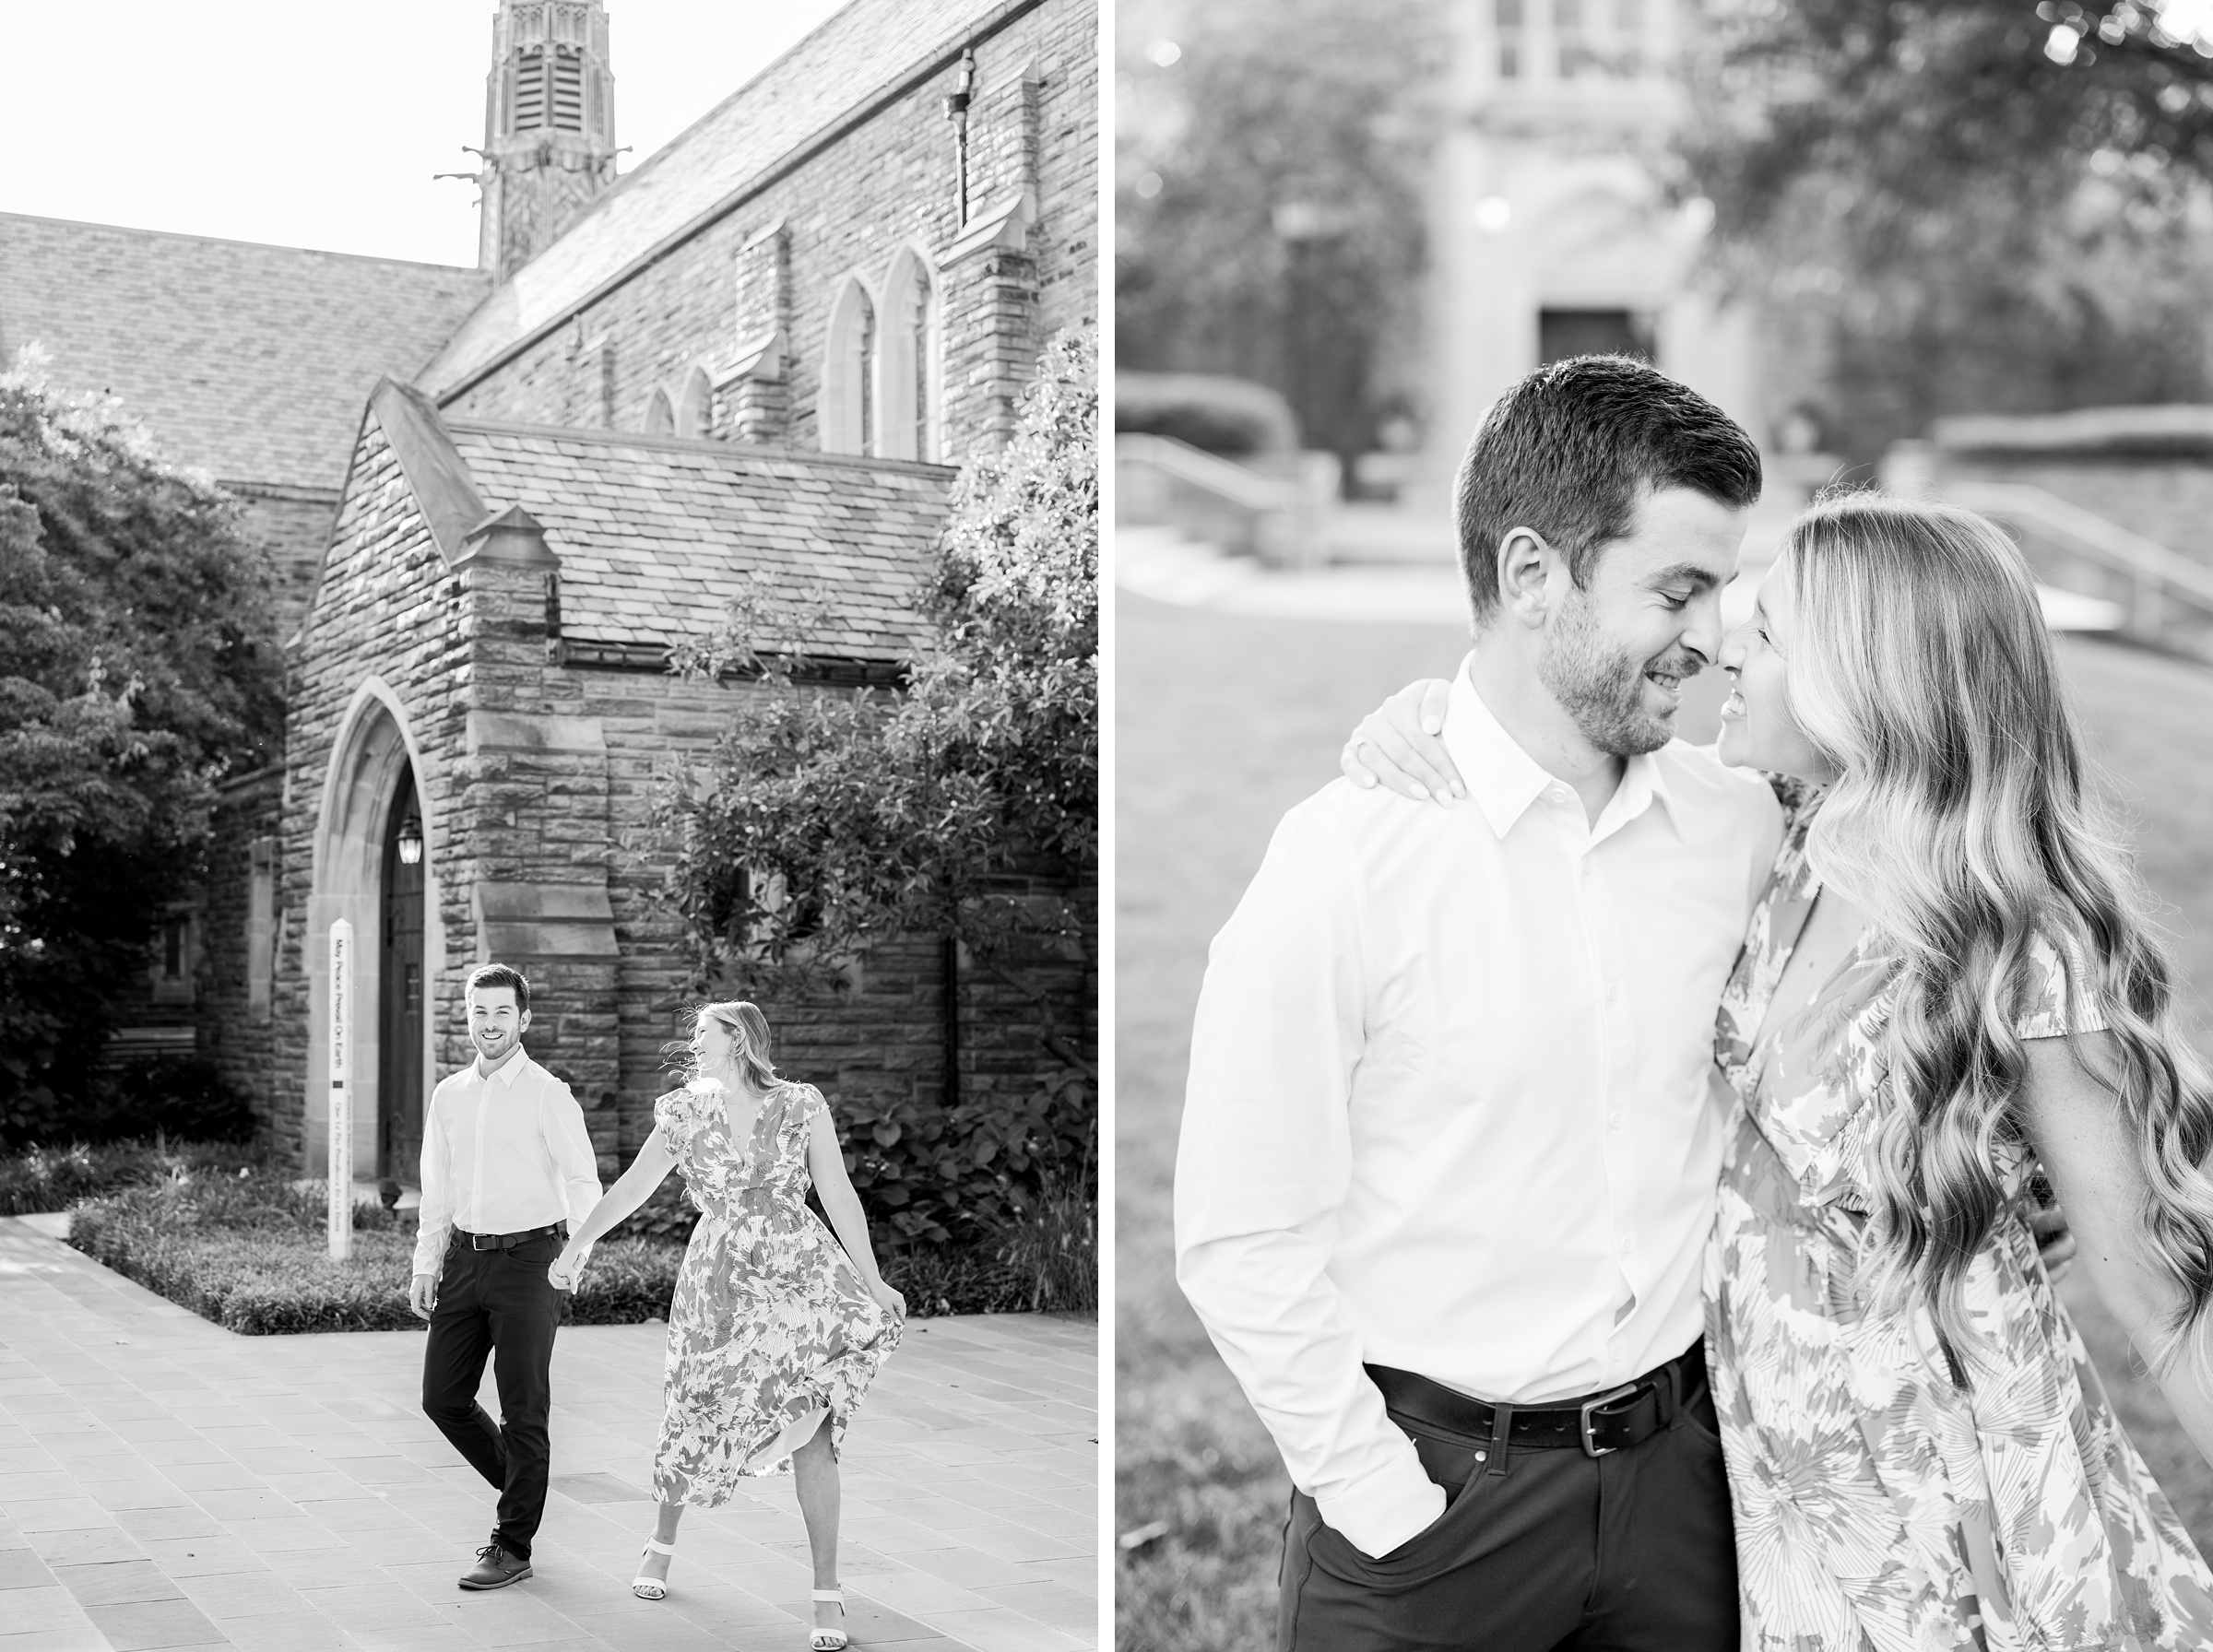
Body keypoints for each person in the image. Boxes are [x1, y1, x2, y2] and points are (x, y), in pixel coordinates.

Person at [1346, 491, 2213, 1646]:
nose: (1720, 654)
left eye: (1766, 637)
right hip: (1774, 1470)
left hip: (1943, 1488)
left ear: (1865, 681)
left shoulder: (2019, 941)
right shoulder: (1785, 833)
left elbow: (2165, 1300)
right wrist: (1425, 719)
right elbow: (1540, 748)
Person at [1176, 355, 1782, 1650]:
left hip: (1685, 1491)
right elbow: (1239, 1234)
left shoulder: (1740, 828)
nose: (1712, 638)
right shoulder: (1348, 861)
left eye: (1720, 592)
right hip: (1432, 1511)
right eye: (1677, 590)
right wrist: (1380, 1499)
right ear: (1529, 577)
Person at [550, 999, 904, 1652]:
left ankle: (827, 1594)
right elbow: (630, 1189)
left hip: (801, 1283)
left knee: (815, 1427)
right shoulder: (682, 1112)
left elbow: (839, 1192)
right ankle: (660, 1543)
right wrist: (577, 1246)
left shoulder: (801, 1104)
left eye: (704, 1033)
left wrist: (874, 1281)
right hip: (718, 1285)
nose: (694, 1042)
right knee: (693, 1408)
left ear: (738, 1040)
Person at [410, 962, 603, 1590]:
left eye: (501, 1013)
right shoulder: (448, 1096)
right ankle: (526, 1483)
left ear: (524, 1019)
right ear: (466, 1016)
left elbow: (581, 1180)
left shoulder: (549, 1092)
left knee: (525, 1411)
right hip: (464, 1261)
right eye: (478, 1012)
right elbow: (436, 1189)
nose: (489, 1024)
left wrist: (576, 1252)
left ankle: (512, 1544)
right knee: (442, 1397)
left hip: (530, 1263)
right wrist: (425, 1263)